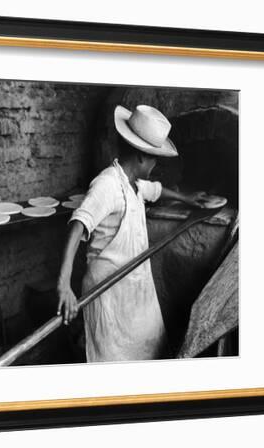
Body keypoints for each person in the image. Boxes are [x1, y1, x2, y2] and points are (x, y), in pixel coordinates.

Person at [57, 104, 207, 362]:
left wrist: (186, 198)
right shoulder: (107, 185)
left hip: (133, 284)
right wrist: (63, 285)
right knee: (113, 359)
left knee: (146, 349)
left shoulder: (132, 183)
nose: (155, 163)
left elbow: (154, 190)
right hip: (108, 292)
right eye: (153, 157)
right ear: (140, 157)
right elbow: (78, 224)